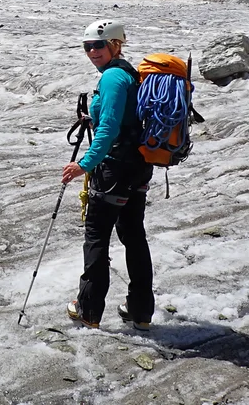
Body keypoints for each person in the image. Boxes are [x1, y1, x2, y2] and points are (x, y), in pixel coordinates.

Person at [60, 19, 155, 330]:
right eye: (87, 46)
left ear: (116, 45)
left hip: (114, 169)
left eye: (98, 45)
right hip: (137, 167)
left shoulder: (113, 78)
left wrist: (84, 165)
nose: (92, 52)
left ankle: (88, 310)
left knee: (97, 238)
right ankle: (140, 311)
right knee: (134, 236)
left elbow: (109, 128)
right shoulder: (127, 72)